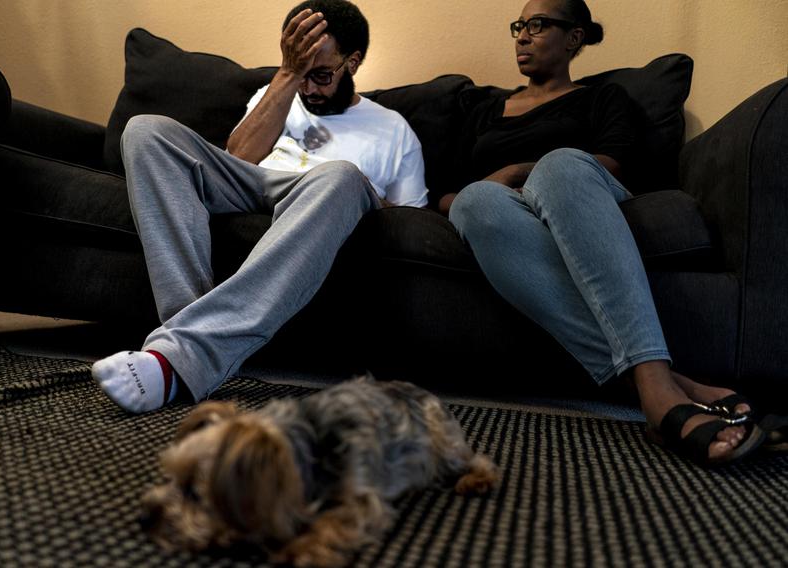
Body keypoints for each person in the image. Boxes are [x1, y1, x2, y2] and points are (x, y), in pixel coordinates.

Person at [445, 0, 764, 466]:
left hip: (574, 197)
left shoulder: (602, 98)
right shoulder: (482, 110)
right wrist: (480, 190)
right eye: (519, 26)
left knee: (560, 164)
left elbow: (612, 162)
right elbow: (448, 193)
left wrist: (516, 169)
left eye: (538, 25)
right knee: (475, 201)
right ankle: (667, 386)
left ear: (574, 37)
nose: (522, 36)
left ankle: (655, 389)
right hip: (502, 215)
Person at [92, 0, 428, 413]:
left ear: (353, 62)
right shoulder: (277, 92)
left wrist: (369, 194)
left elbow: (415, 218)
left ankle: (177, 360)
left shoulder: (394, 129)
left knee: (342, 173)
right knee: (146, 131)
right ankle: (193, 342)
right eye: (300, 73)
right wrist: (287, 75)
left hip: (326, 195)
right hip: (255, 182)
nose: (309, 89)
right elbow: (241, 157)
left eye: (321, 75)